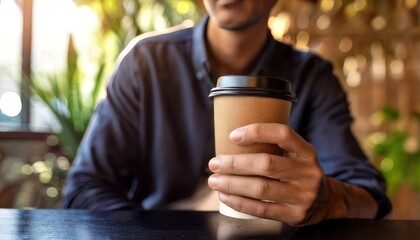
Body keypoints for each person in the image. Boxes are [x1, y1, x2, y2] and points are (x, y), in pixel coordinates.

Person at [63, 0, 392, 226]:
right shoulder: (145, 63)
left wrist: (327, 199)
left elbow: (368, 194)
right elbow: (85, 187)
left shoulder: (311, 77)